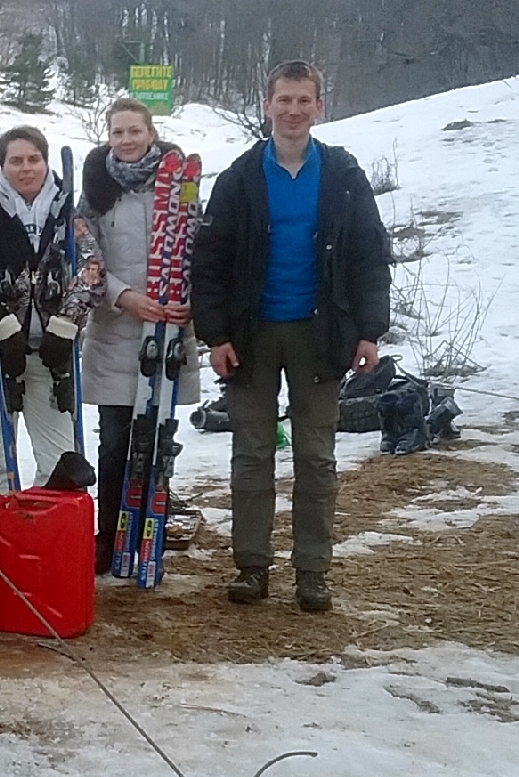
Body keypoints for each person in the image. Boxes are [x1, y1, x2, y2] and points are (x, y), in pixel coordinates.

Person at [191, 60, 392, 612]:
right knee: (253, 455)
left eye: (304, 100)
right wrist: (215, 334)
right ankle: (252, 567)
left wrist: (369, 331)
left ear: (319, 107)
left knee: (316, 457)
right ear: (267, 104)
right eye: (285, 99)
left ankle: (312, 572)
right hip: (251, 338)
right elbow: (209, 262)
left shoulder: (344, 176)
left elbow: (370, 256)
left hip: (320, 336)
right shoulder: (239, 178)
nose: (294, 110)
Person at [0, 125, 101, 527]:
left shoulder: (69, 212)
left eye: (34, 159)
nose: (26, 168)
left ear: (46, 162)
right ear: (3, 166)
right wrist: (0, 322)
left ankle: (46, 542)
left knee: (58, 457)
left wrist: (66, 325)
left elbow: (91, 270)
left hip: (51, 356)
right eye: (16, 160)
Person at [77, 98, 201, 575]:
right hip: (116, 330)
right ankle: (108, 536)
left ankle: (149, 526)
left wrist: (191, 299)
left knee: (157, 440)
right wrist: (123, 296)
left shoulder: (178, 186)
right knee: (114, 442)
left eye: (135, 131)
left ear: (151, 133)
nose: (126, 140)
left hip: (167, 328)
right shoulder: (95, 189)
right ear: (108, 136)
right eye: (117, 132)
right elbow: (86, 255)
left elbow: (194, 248)